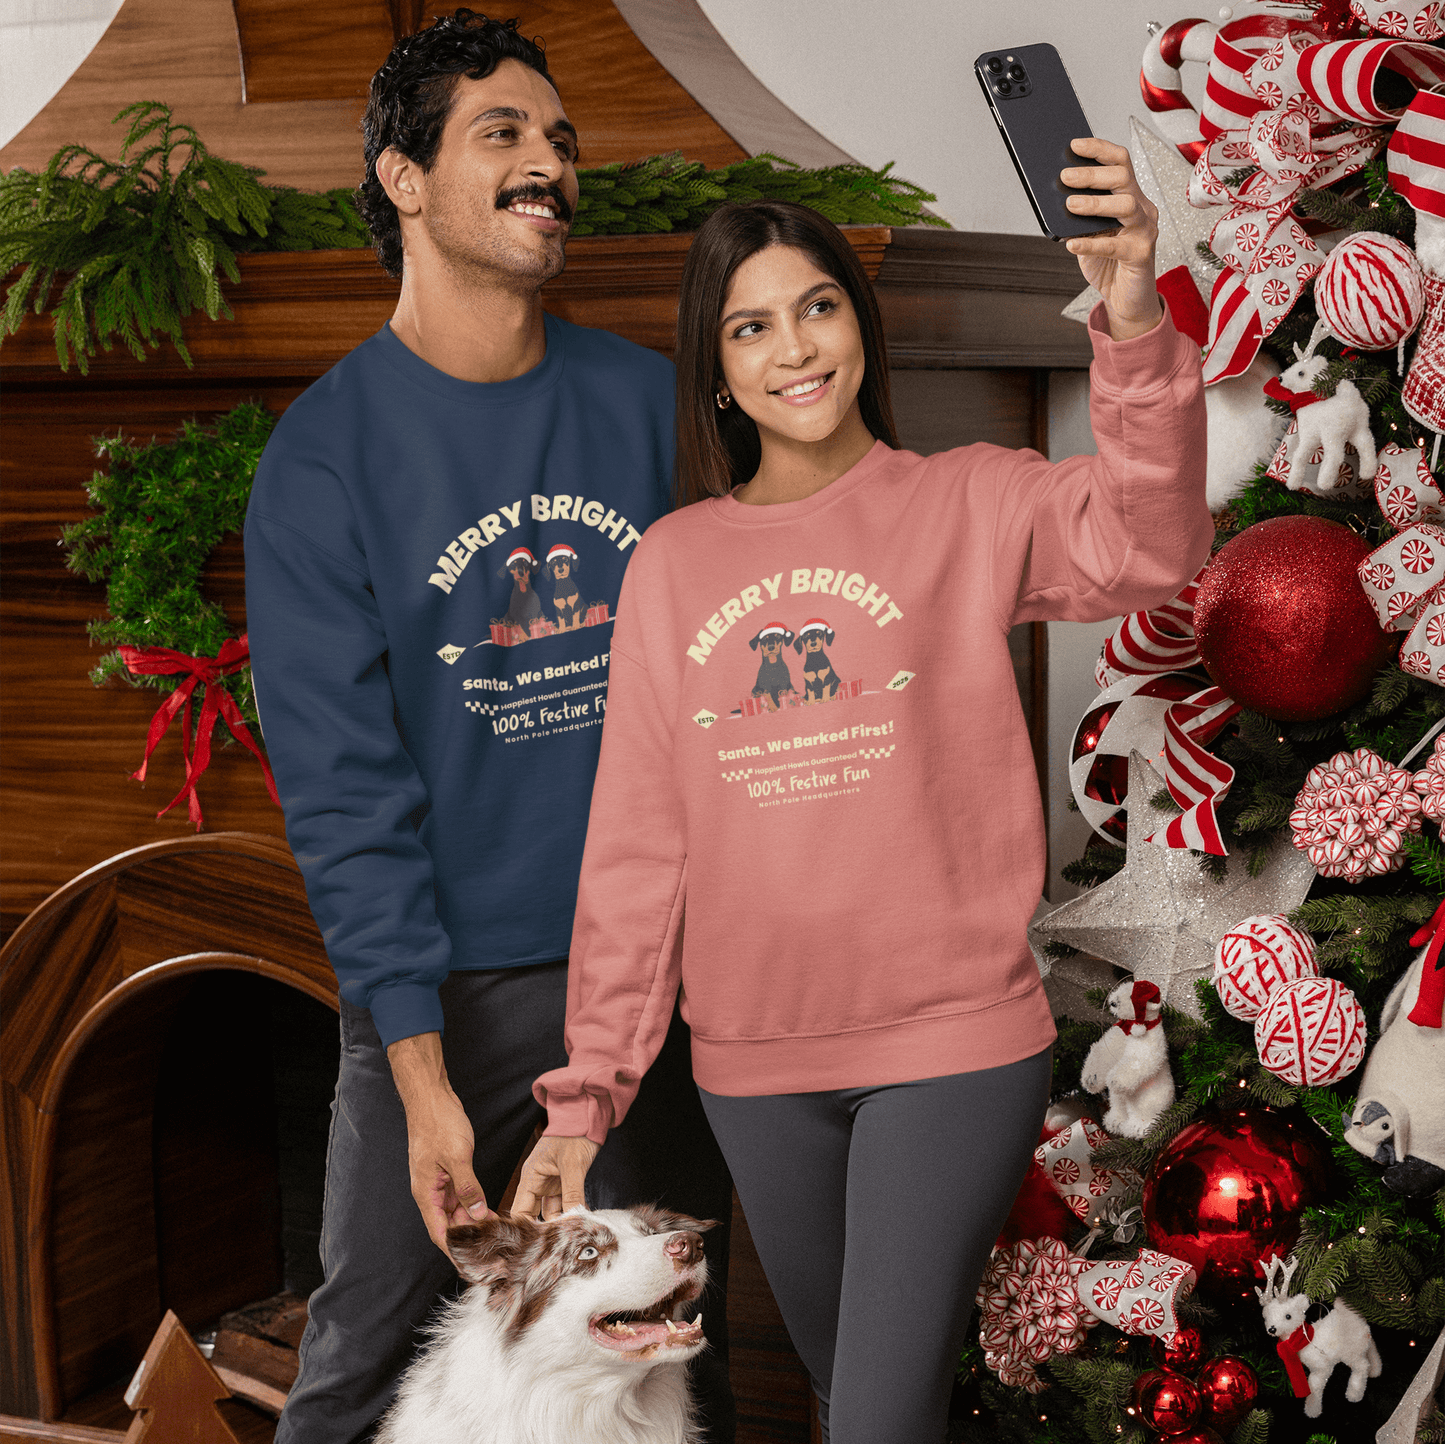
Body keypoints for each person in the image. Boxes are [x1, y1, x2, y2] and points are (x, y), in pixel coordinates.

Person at [512, 141, 1212, 1442]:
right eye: (753, 325)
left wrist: (1131, 324)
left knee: (876, 1420)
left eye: (819, 306)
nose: (796, 347)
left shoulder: (967, 501)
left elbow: (1150, 542)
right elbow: (635, 852)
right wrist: (589, 1092)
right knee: (852, 1392)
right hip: (754, 1069)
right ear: (716, 371)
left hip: (947, 1048)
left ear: (859, 322)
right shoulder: (672, 567)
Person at [243, 11, 733, 1442]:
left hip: (648, 983)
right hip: (443, 997)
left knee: (664, 1355)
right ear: (403, 177)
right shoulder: (327, 455)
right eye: (503, 133)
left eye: (561, 140)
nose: (550, 164)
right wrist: (419, 1077)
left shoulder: (646, 402)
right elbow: (343, 792)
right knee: (355, 1359)